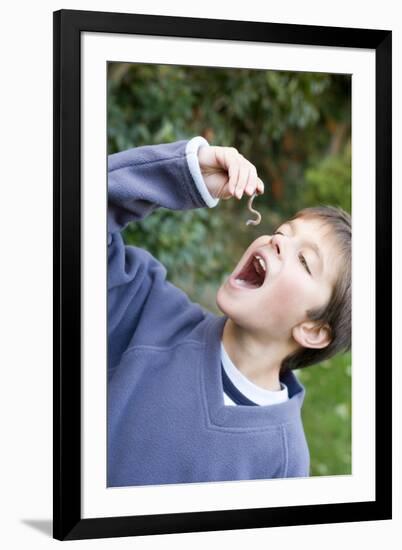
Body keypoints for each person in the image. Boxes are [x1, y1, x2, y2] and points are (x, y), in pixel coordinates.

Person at [107, 136, 351, 487]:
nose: (277, 239)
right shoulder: (147, 309)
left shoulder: (282, 463)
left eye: (303, 260)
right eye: (283, 231)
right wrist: (184, 173)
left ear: (312, 330)